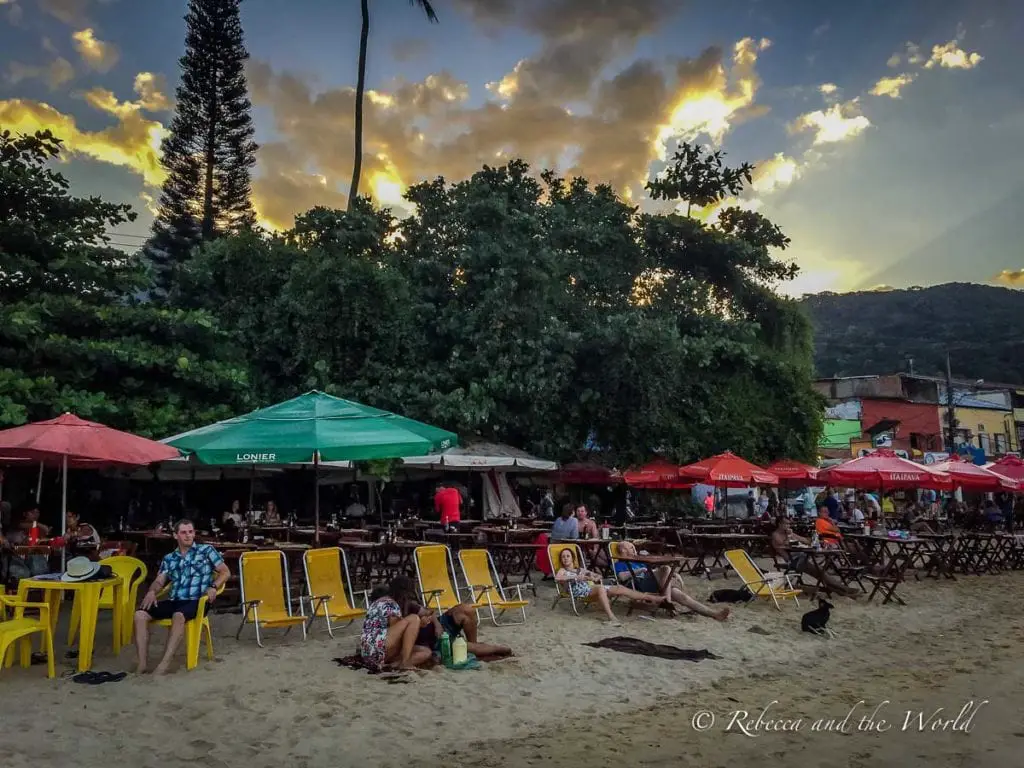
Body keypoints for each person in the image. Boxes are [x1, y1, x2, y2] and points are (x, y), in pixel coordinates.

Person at [134, 519, 229, 675]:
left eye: (190, 532)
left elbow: (225, 572)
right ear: (175, 535)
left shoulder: (206, 551)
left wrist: (213, 586)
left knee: (178, 616)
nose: (188, 536)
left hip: (198, 600)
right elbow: (159, 581)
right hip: (175, 600)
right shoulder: (169, 558)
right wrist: (152, 592)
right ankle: (142, 664)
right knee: (140, 614)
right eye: (184, 532)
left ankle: (164, 664)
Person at [388, 577, 512, 660]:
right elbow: (402, 638)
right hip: (436, 641)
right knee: (468, 647)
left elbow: (430, 612)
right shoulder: (391, 611)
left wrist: (437, 625)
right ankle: (498, 649)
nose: (410, 595)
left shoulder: (409, 605)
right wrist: (420, 625)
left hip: (440, 627)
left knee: (466, 610)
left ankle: (475, 645)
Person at [614, 541, 729, 621]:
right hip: (640, 584)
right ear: (623, 550)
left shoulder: (639, 561)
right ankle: (667, 603)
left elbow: (653, 570)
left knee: (683, 597)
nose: (634, 549)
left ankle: (714, 614)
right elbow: (622, 578)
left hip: (654, 583)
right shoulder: (620, 563)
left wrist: (673, 574)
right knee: (666, 568)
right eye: (630, 547)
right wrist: (640, 570)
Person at [555, 547, 670, 625]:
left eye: (568, 556)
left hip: (590, 589)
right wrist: (574, 577)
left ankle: (653, 598)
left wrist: (593, 577)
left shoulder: (580, 569)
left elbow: (597, 576)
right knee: (600, 588)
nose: (565, 558)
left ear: (572, 558)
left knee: (620, 588)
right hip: (579, 591)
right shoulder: (562, 570)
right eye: (563, 557)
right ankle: (612, 618)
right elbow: (558, 578)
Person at [769, 517, 859, 598]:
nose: (788, 526)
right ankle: (845, 589)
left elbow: (804, 540)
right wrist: (789, 536)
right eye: (786, 523)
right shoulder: (775, 534)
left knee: (820, 573)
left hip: (801, 558)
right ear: (779, 524)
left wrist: (815, 541)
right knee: (820, 572)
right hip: (792, 561)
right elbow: (784, 544)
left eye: (789, 524)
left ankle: (842, 591)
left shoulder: (789, 533)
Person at [358, 577, 432, 671]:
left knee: (426, 652)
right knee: (414, 618)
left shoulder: (380, 602)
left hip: (371, 651)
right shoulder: (390, 604)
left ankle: (394, 665)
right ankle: (405, 663)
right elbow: (397, 635)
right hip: (377, 648)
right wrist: (418, 624)